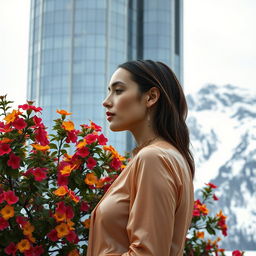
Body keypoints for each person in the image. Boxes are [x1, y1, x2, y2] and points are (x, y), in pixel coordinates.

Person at [86, 60, 194, 256]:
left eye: (118, 91)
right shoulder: (168, 156)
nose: (106, 101)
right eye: (109, 91)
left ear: (151, 97)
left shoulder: (153, 158)